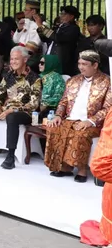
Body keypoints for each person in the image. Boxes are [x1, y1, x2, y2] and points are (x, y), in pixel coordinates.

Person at [45, 50, 112, 182]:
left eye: (85, 64)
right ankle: (64, 166)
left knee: (80, 133)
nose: (81, 67)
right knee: (54, 128)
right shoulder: (73, 80)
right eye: (79, 63)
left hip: (93, 123)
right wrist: (58, 115)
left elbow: (108, 108)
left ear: (95, 65)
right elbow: (63, 102)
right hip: (70, 119)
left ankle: (82, 169)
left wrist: (90, 121)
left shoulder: (107, 81)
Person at [37, 5, 81, 76]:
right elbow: (45, 39)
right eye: (61, 14)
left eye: (64, 14)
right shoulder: (59, 27)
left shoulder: (74, 28)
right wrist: (40, 28)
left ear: (71, 16)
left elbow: (57, 38)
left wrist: (41, 26)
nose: (61, 16)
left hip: (62, 63)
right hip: (49, 60)